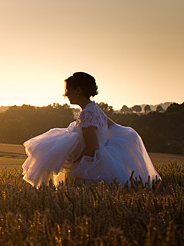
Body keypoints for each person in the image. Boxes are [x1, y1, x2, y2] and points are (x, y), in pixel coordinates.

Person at [22, 72, 160, 188]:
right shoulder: (96, 110)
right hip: (103, 158)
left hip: (93, 165)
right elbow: (112, 128)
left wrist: (74, 162)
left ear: (78, 91)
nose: (65, 94)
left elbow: (93, 147)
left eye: (68, 90)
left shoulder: (87, 114)